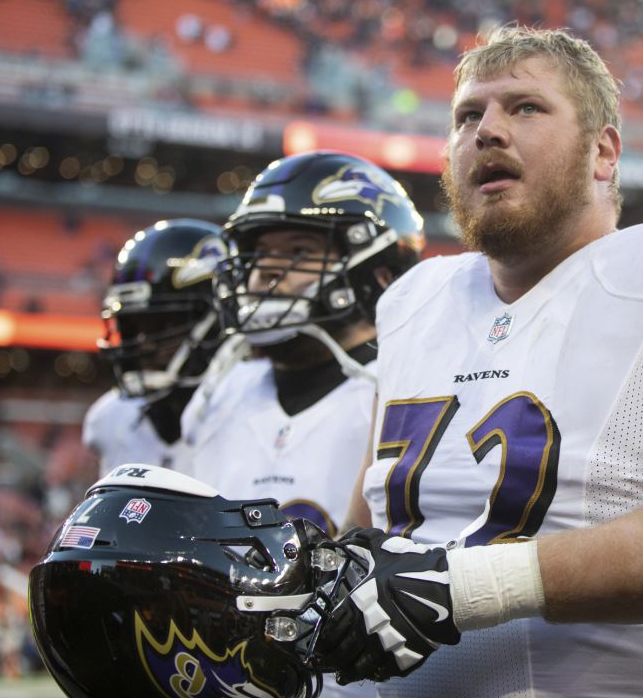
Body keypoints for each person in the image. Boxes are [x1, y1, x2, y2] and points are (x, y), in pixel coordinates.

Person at [310, 25, 643, 697]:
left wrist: (466, 586)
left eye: (524, 107)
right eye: (467, 116)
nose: (486, 130)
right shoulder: (413, 302)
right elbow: (368, 533)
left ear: (603, 151)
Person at [175, 151, 425, 697]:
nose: (265, 269)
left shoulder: (405, 387)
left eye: (298, 251)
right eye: (260, 251)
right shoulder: (220, 394)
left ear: (376, 271)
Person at [84, 218, 232, 476]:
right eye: (133, 326)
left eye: (162, 325)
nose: (143, 343)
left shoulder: (250, 413)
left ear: (219, 322)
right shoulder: (111, 420)